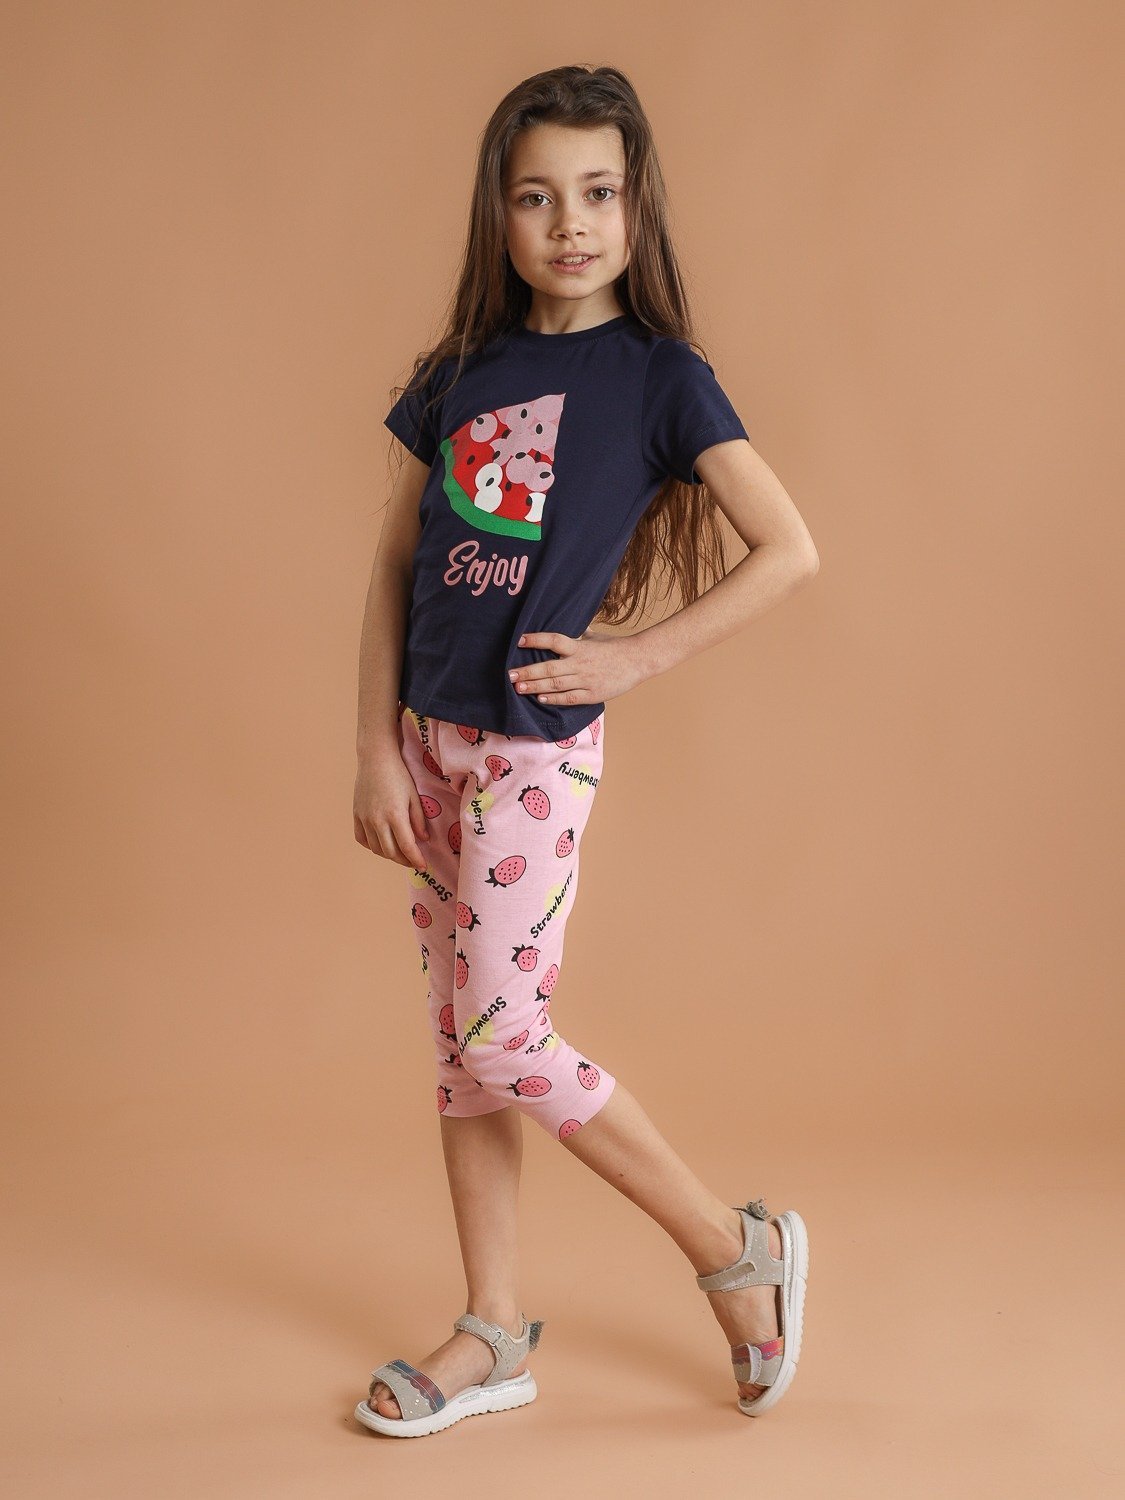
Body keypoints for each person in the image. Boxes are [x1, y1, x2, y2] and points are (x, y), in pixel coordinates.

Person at [352, 64, 819, 1438]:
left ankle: (734, 1249)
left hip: (530, 755)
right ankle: (492, 1330)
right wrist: (374, 749)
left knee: (505, 1035)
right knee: (462, 1049)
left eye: (599, 193)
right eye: (537, 197)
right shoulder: (458, 377)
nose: (570, 223)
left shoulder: (661, 377)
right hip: (429, 752)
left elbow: (789, 548)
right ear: (497, 214)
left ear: (635, 207)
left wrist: (632, 657)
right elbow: (392, 568)